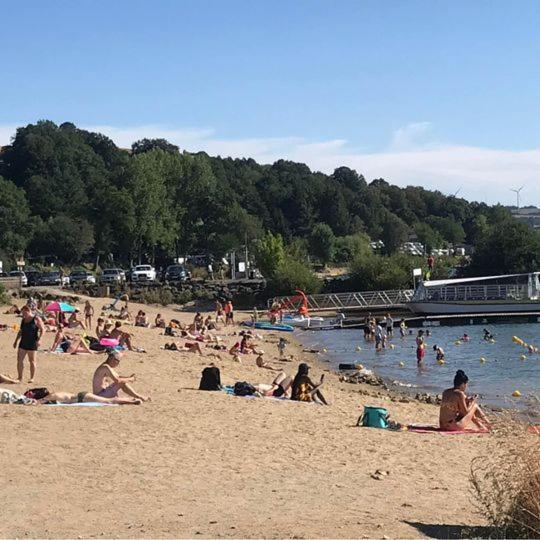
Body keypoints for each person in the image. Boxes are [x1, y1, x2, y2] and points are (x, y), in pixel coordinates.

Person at [13, 305, 45, 383]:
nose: (23, 315)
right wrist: (16, 341)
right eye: (22, 313)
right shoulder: (23, 320)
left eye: (24, 313)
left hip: (32, 342)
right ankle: (19, 377)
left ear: (28, 311)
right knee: (19, 360)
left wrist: (40, 340)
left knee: (32, 361)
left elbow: (43, 330)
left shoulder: (36, 318)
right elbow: (21, 331)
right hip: (23, 342)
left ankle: (32, 378)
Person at [37, 389, 142, 405]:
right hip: (82, 395)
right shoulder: (55, 392)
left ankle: (132, 401)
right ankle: (130, 400)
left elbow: (41, 401)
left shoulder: (52, 396)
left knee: (109, 401)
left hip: (82, 398)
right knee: (108, 400)